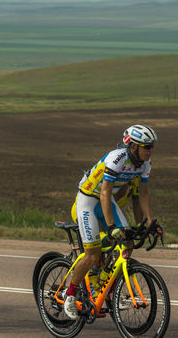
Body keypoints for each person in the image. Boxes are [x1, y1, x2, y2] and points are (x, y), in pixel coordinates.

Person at [64, 124, 158, 319]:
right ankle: (70, 295)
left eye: (152, 146)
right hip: (89, 199)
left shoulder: (145, 164)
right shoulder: (116, 158)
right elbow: (105, 192)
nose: (151, 150)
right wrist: (113, 227)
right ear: (133, 147)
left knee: (128, 243)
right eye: (147, 146)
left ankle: (105, 287)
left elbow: (143, 193)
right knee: (92, 254)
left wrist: (149, 221)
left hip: (106, 201)